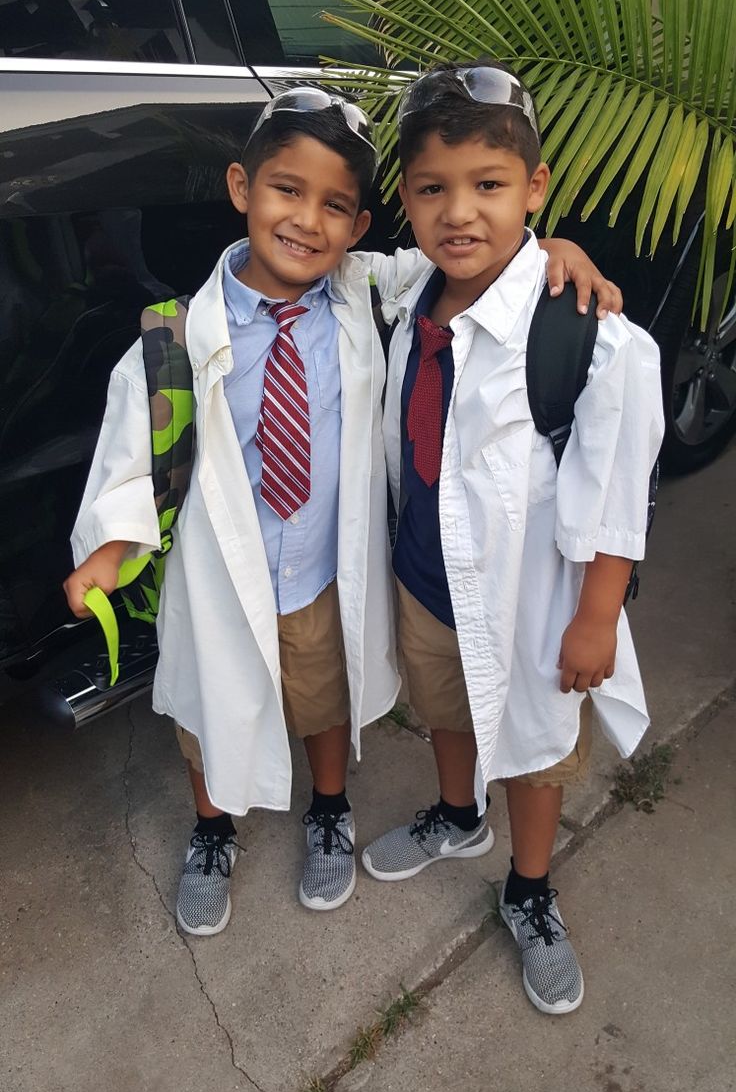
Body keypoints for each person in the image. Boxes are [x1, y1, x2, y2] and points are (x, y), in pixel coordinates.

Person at [63, 87, 623, 939]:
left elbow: (474, 259)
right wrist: (108, 547)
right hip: (222, 577)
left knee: (324, 702)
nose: (307, 222)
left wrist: (559, 250)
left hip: (321, 569)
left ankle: (329, 807)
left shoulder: (366, 292)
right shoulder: (171, 338)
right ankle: (213, 832)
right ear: (241, 187)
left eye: (335, 206)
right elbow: (128, 459)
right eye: (287, 190)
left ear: (360, 228)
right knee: (207, 714)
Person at [361, 62, 664, 1015]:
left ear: (534, 191)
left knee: (532, 751)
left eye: (490, 186)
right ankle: (457, 816)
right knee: (446, 706)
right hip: (425, 578)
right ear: (404, 200)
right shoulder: (410, 291)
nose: (461, 213)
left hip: (531, 604)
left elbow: (616, 498)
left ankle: (529, 888)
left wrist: (597, 621)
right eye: (433, 189)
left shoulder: (592, 338)